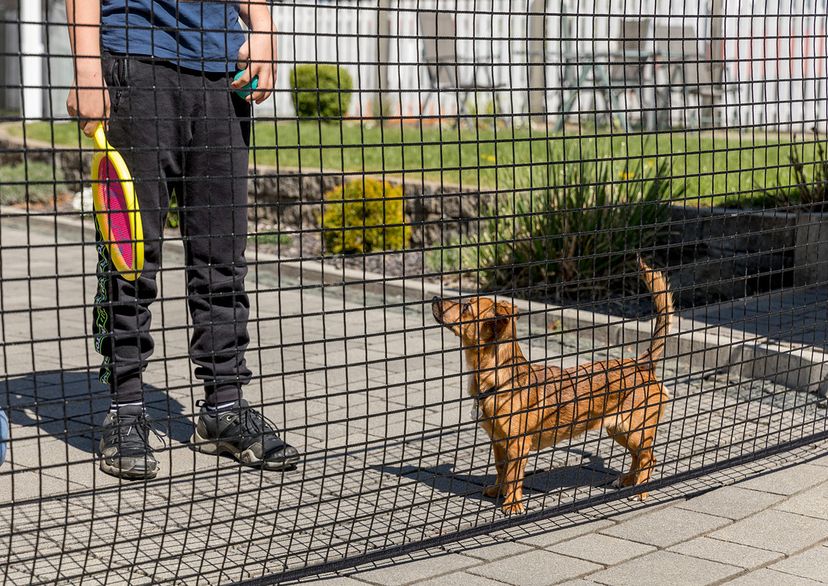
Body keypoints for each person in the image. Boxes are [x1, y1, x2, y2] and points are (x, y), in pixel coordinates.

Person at [65, 0, 299, 479]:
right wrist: (88, 67)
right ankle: (125, 409)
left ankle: (224, 411)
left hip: (222, 74)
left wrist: (264, 26)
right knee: (129, 256)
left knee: (223, 257)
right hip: (137, 61)